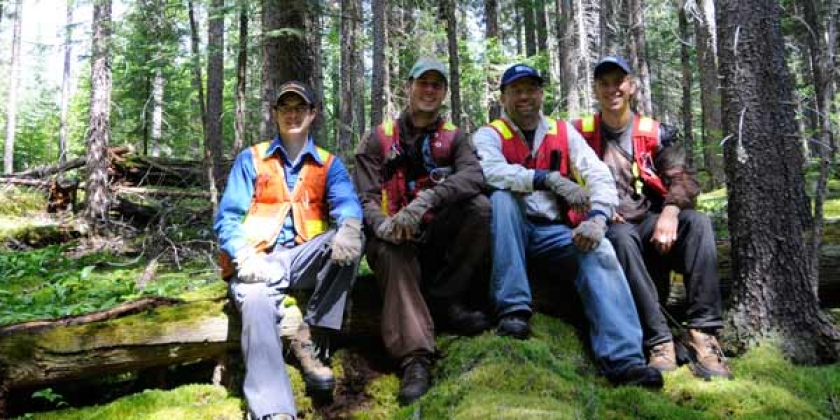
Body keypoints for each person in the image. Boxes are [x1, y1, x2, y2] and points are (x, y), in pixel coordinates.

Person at [472, 63, 663, 389]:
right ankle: (513, 310)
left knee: (600, 247)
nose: (524, 97)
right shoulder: (489, 134)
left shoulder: (561, 131)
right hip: (507, 232)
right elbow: (490, 172)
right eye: (516, 91)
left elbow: (598, 174)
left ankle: (625, 359)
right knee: (503, 199)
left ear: (541, 94)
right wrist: (549, 179)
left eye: (531, 89)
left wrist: (599, 218)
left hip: (553, 232)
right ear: (503, 98)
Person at [571, 55, 730, 379]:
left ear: (631, 86)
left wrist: (671, 212)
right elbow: (562, 177)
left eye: (619, 81)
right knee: (619, 239)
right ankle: (659, 341)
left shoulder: (654, 133)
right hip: (610, 224)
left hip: (651, 220)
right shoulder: (580, 133)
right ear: (596, 89)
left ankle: (703, 334)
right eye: (604, 83)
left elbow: (684, 179)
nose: (612, 89)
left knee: (697, 224)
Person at [214, 80, 364, 420]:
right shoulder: (251, 158)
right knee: (254, 301)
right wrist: (243, 255)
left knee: (352, 237)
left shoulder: (329, 163)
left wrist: (349, 227)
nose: (292, 114)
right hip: (257, 261)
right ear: (275, 114)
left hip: (301, 259)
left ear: (312, 114)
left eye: (299, 107)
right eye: (285, 107)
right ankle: (274, 411)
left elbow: (348, 205)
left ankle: (310, 335)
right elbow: (227, 218)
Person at [355, 57, 492, 405]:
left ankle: (445, 302)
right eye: (422, 83)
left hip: (436, 237)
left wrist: (427, 200)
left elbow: (474, 176)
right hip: (395, 242)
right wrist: (384, 226)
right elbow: (364, 197)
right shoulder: (379, 139)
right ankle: (415, 358)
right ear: (409, 87)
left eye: (436, 85)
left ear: (444, 92)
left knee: (479, 208)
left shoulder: (454, 138)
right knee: (389, 249)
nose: (429, 91)